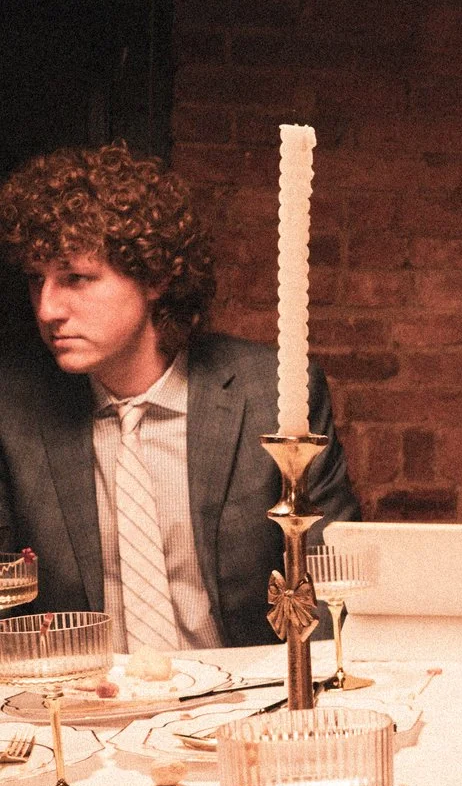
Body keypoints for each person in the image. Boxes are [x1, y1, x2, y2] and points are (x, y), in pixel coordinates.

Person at [0, 142, 357, 650]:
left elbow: (333, 584)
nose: (47, 309)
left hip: (247, 687)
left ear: (156, 276)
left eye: (76, 278)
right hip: (86, 692)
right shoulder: (15, 409)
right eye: (37, 281)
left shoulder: (272, 394)